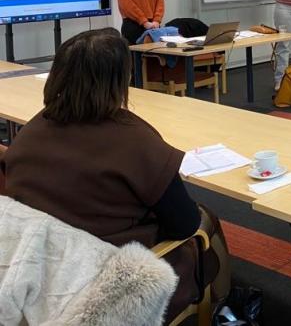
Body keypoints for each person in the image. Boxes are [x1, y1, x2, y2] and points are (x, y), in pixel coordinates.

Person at [0, 28, 225, 322]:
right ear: (119, 81)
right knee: (205, 224)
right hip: (110, 281)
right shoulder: (136, 141)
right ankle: (220, 305)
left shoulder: (30, 131)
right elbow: (184, 225)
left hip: (39, 272)